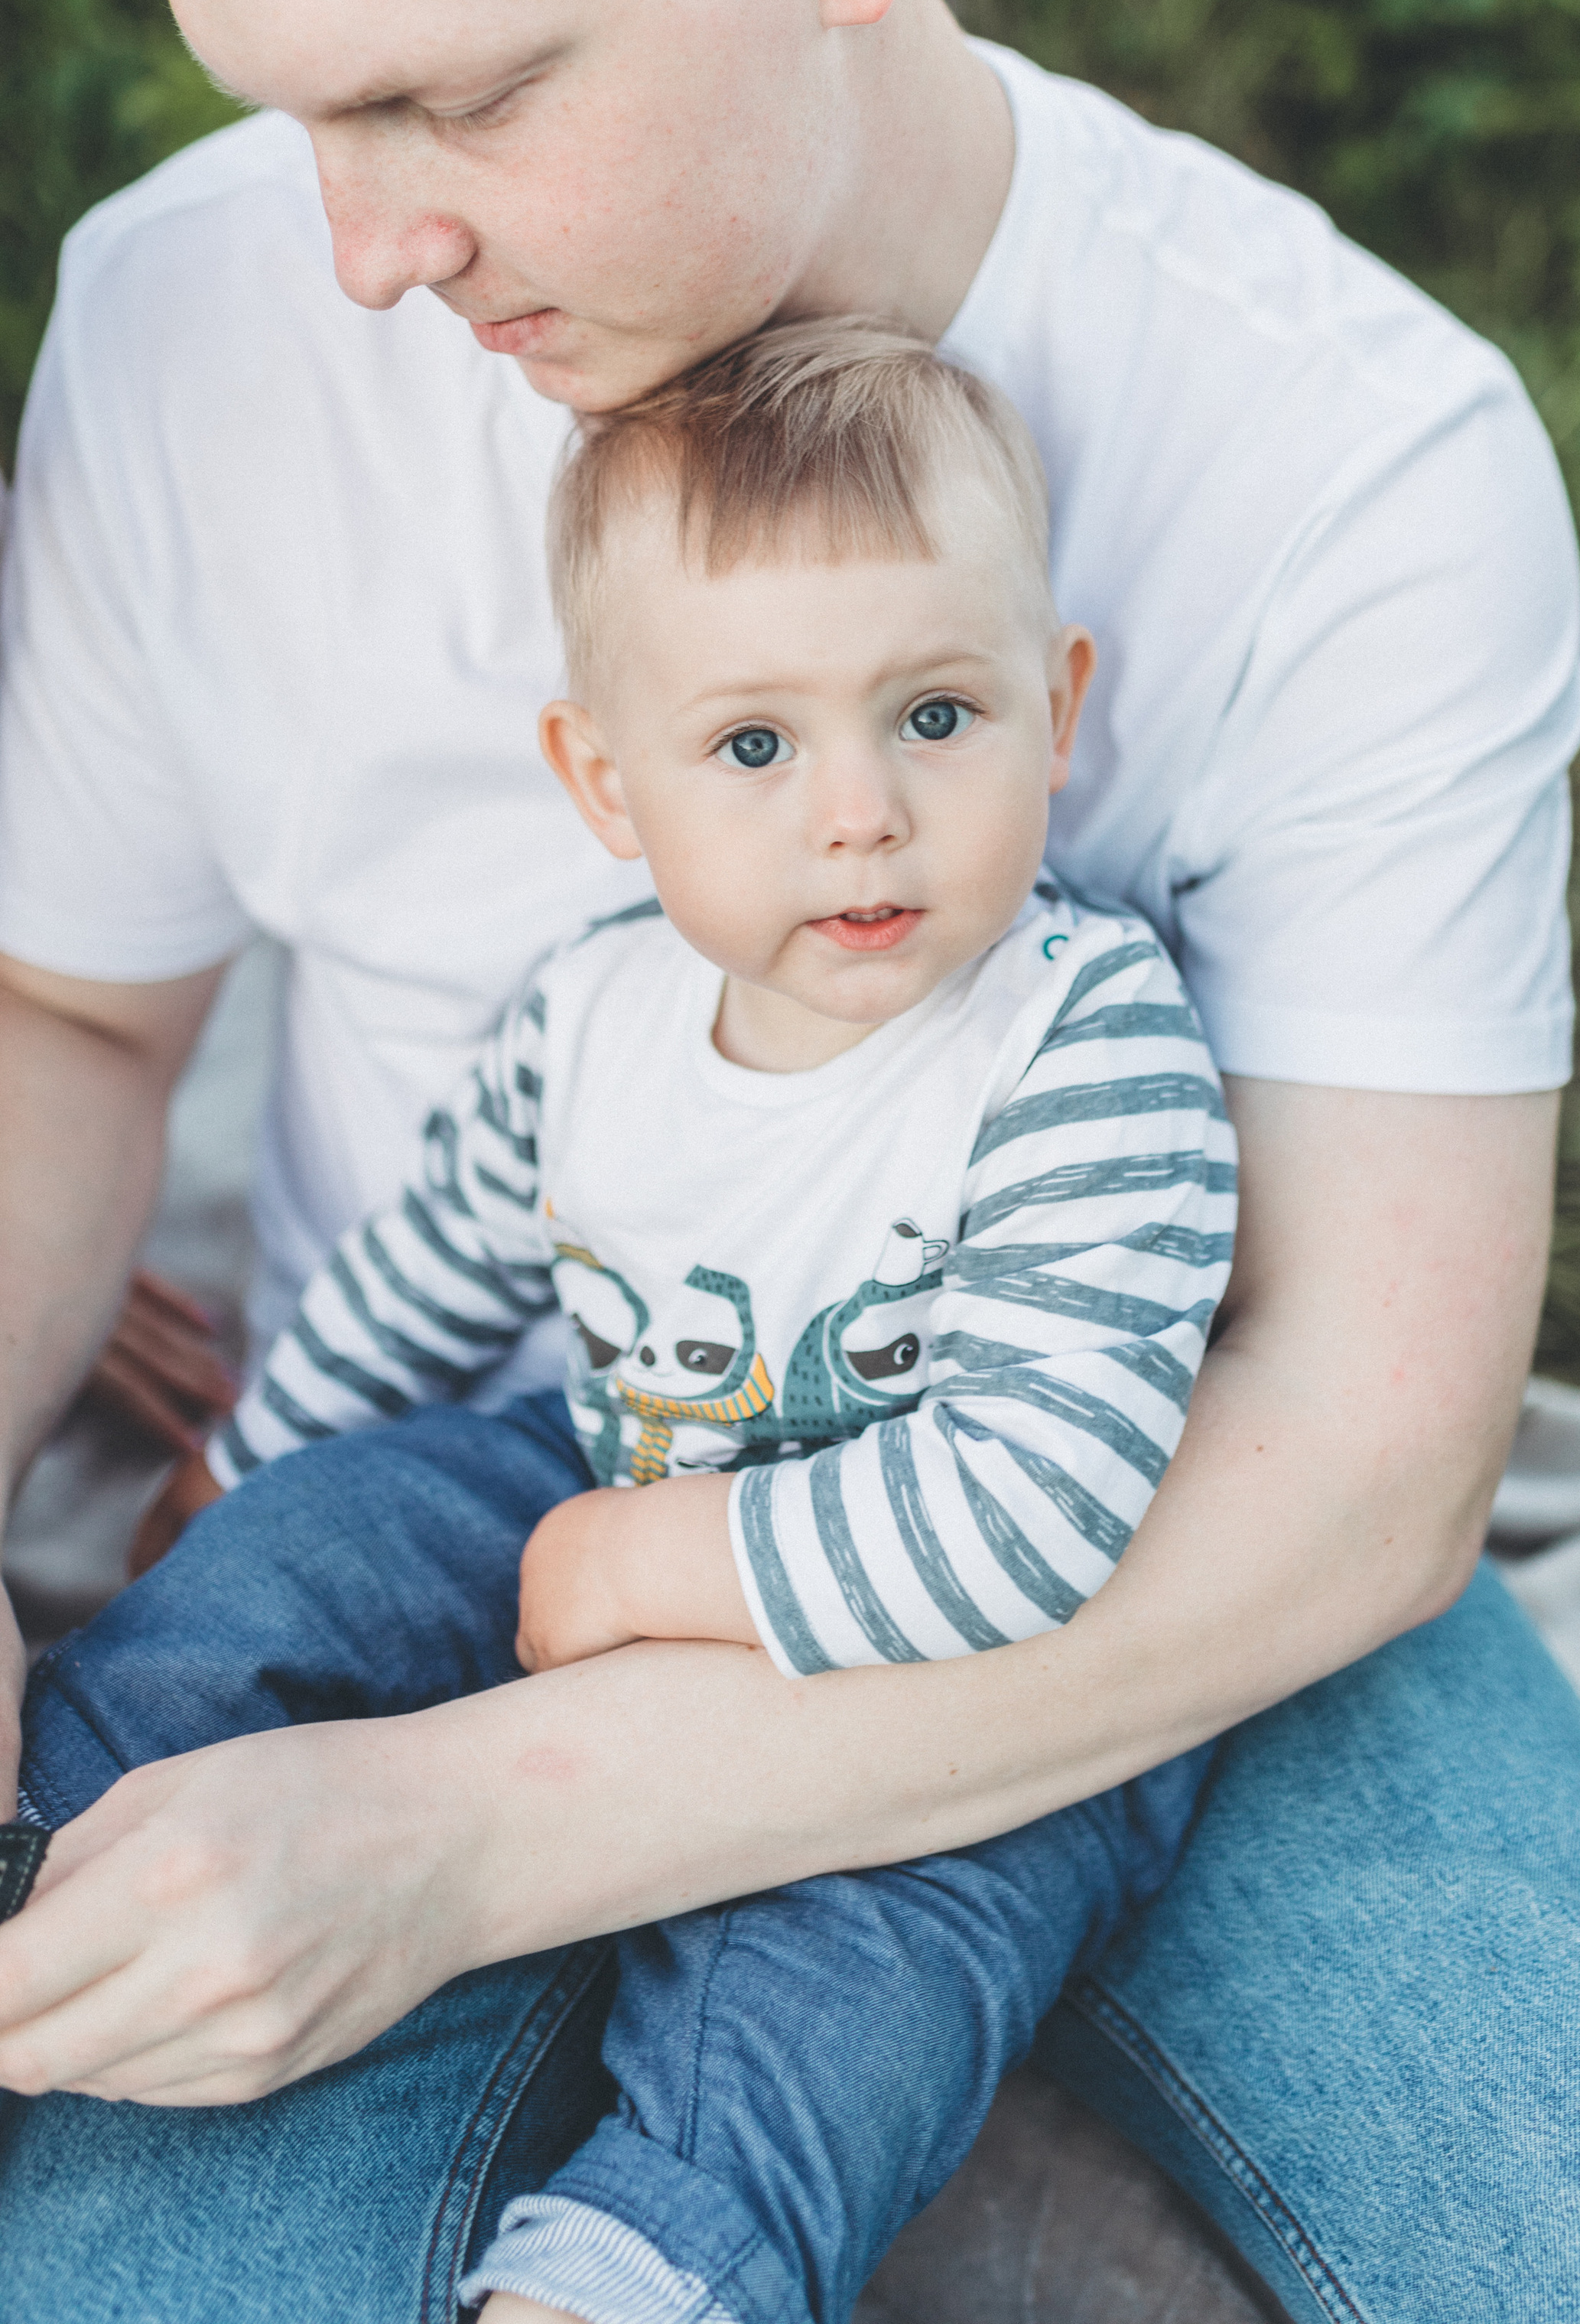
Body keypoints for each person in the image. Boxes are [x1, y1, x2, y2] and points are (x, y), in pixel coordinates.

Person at [0, 0, 1580, 2316]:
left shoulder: (1356, 459)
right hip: (476, 1498)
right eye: (290, 109)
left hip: (1153, 1586)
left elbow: (1369, 1468)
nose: (366, 242)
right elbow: (67, 1015)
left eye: (460, 99)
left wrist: (469, 1839)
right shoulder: (185, 336)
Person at [18, 322, 1234, 2319]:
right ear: (606, 780)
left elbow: (1038, 1514)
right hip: (600, 1471)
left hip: (952, 1700)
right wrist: (251, 1459)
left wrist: (665, 1559)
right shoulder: (598, 1014)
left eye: (936, 716)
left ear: (1059, 704)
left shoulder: (1081, 1045)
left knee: (849, 1988)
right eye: (754, 747)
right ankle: (53, 1843)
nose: (859, 814)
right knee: (314, 1549)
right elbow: (427, 1272)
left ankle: (631, 2271)